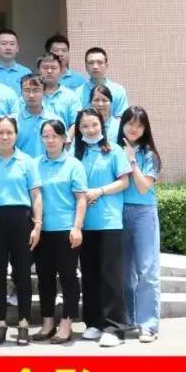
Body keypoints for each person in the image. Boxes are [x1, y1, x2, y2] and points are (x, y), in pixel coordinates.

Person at [0, 115, 43, 346]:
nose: (5, 137)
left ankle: (23, 323)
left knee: (22, 274)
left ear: (16, 135)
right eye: (0, 132)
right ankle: (1, 323)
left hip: (21, 220)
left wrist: (37, 225)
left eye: (9, 132)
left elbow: (36, 195)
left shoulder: (27, 161)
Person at [74, 108, 131, 347]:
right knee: (89, 274)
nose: (90, 130)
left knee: (111, 276)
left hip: (108, 221)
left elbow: (124, 182)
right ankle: (94, 323)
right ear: (78, 130)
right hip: (83, 224)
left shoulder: (114, 150)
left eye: (94, 125)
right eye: (85, 126)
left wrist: (99, 191)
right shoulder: (76, 153)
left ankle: (114, 327)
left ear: (102, 126)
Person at [32, 119, 87, 344]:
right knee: (44, 278)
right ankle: (47, 322)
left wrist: (77, 227)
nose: (50, 140)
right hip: (42, 231)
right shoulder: (35, 164)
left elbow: (81, 199)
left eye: (54, 136)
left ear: (64, 138)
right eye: (46, 136)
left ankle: (66, 323)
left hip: (66, 230)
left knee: (68, 278)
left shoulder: (74, 165)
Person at [119, 106, 162, 344]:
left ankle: (148, 325)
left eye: (139, 125)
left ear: (145, 129)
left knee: (146, 270)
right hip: (118, 213)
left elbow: (144, 187)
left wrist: (132, 161)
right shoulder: (113, 150)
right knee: (124, 272)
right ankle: (128, 319)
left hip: (143, 213)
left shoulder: (149, 155)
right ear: (122, 125)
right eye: (130, 123)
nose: (134, 128)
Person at [15, 75, 60, 157]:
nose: (31, 95)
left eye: (36, 90)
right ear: (21, 93)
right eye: (27, 90)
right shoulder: (13, 121)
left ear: (44, 92)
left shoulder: (55, 120)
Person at [82, 47, 130, 116]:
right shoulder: (78, 93)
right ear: (86, 67)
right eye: (91, 63)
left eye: (100, 62)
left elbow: (121, 118)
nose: (95, 66)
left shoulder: (118, 90)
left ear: (106, 66)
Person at [38, 53, 81, 129]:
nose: (49, 71)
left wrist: (66, 137)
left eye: (54, 68)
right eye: (45, 68)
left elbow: (76, 123)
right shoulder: (31, 95)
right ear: (39, 70)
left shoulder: (71, 96)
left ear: (61, 71)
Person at [0, 28, 32, 94]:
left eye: (12, 44)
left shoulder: (26, 73)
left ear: (17, 48)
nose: (8, 48)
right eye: (4, 43)